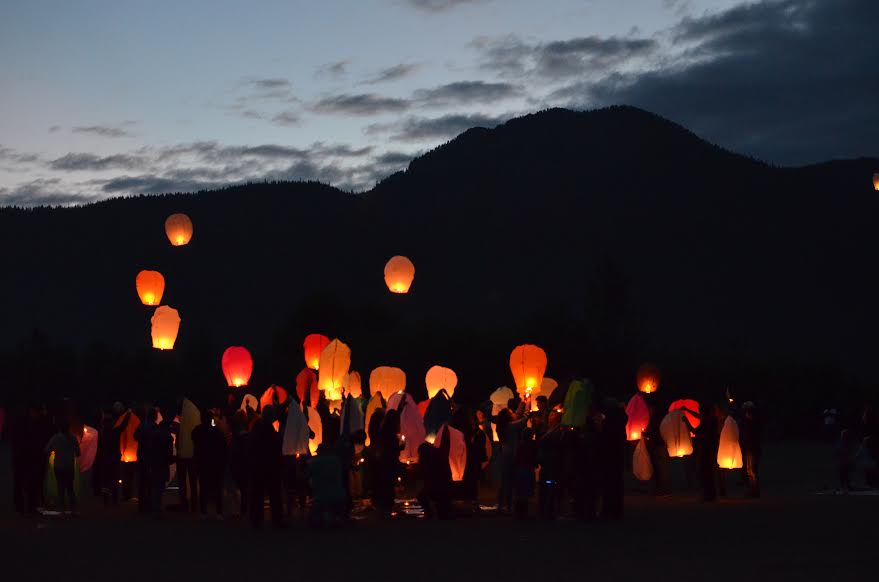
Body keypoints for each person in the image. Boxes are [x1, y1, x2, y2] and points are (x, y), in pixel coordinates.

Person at [248, 405, 284, 528]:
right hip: (270, 466)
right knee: (274, 494)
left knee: (257, 494)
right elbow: (277, 448)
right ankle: (276, 519)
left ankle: (256, 520)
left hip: (258, 466)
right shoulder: (271, 432)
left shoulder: (256, 430)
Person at [11, 404, 49, 516]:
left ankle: (25, 507)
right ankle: (26, 507)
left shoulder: (25, 424)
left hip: (26, 458)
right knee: (28, 483)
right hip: (27, 458)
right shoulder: (34, 425)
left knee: (26, 483)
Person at [191, 409, 228, 519]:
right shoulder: (217, 432)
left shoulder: (197, 431)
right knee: (217, 487)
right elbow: (223, 448)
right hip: (215, 463)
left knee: (203, 487)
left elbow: (194, 441)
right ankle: (219, 512)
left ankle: (203, 512)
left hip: (202, 462)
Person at [683, 400, 720, 502]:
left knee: (704, 472)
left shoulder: (706, 422)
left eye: (701, 412)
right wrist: (687, 410)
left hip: (705, 450)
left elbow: (695, 431)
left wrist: (686, 421)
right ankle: (711, 495)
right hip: (711, 449)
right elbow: (697, 415)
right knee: (709, 473)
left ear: (704, 413)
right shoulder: (713, 420)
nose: (700, 414)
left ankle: (707, 495)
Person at [497, 397, 528, 514]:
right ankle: (506, 506)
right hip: (509, 457)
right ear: (508, 417)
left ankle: (503, 505)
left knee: (505, 481)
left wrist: (524, 400)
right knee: (508, 482)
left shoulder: (505, 426)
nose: (513, 413)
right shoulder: (510, 426)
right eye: (511, 413)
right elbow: (524, 418)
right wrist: (527, 406)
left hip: (505, 455)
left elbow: (518, 414)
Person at [597, 398, 627, 520]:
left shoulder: (609, 424)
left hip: (609, 454)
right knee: (616, 483)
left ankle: (608, 510)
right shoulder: (620, 420)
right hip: (617, 454)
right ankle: (616, 510)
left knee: (609, 483)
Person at [44, 420, 81, 515]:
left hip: (59, 466)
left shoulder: (56, 438)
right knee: (70, 487)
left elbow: (47, 449)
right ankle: (73, 509)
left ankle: (62, 508)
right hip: (69, 466)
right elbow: (78, 453)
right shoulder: (73, 438)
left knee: (60, 487)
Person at [371, 409, 403, 516]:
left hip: (383, 462)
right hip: (388, 462)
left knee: (385, 484)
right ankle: (386, 507)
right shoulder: (390, 434)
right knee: (388, 484)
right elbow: (392, 449)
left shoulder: (382, 431)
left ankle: (383, 506)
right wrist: (401, 447)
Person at [306, 443, 347, 527]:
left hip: (320, 496)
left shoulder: (313, 462)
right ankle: (336, 517)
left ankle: (321, 517)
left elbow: (305, 475)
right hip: (339, 495)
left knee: (318, 509)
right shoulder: (337, 461)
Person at [228, 410, 250, 519]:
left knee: (235, 489)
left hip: (236, 465)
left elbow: (232, 452)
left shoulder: (235, 438)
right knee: (244, 489)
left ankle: (236, 511)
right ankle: (243, 510)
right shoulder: (247, 436)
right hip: (245, 465)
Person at [739, 402, 762, 498]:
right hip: (752, 449)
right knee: (752, 471)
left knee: (751, 471)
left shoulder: (750, 424)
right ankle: (753, 490)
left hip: (751, 449)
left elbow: (748, 437)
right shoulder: (752, 423)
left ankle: (753, 491)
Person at [835, 429, 858, 493]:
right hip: (843, 461)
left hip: (844, 461)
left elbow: (840, 451)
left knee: (845, 474)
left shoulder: (846, 443)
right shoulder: (842, 442)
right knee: (843, 474)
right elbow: (838, 451)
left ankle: (846, 486)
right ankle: (844, 486)